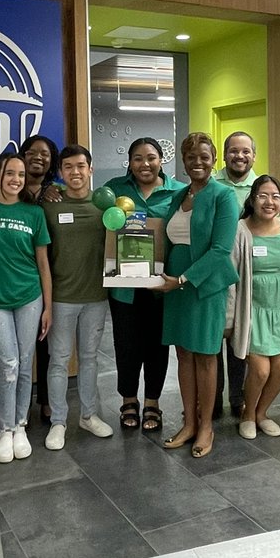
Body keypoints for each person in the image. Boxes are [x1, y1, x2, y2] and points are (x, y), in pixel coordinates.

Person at [159, 133, 239, 458]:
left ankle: (206, 426)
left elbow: (221, 250)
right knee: (184, 355)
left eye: (204, 156)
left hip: (203, 287)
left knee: (206, 356)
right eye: (191, 157)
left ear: (214, 158)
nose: (197, 162)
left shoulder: (224, 195)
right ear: (183, 160)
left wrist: (181, 279)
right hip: (173, 287)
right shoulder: (178, 195)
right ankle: (189, 423)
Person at [0, 153, 52, 462]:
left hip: (30, 297)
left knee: (25, 361)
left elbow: (43, 265)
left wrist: (48, 307)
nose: (16, 179)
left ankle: (20, 425)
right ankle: (5, 429)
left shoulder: (34, 214)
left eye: (20, 174)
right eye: (10, 174)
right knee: (9, 364)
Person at [104, 137, 181, 431]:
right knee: (126, 345)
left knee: (157, 347)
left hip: (160, 285)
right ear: (129, 162)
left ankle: (152, 402)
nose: (144, 164)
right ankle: (128, 400)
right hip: (123, 285)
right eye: (137, 158)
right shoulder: (115, 189)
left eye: (151, 157)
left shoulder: (177, 192)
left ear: (161, 160)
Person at [42, 145, 112, 450]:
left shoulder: (105, 207)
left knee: (89, 359)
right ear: (60, 172)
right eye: (68, 167)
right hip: (61, 298)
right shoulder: (49, 206)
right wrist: (46, 190)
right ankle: (58, 420)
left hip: (96, 297)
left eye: (81, 166)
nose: (75, 172)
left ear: (91, 169)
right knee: (58, 361)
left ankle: (88, 415)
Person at [226, 175, 280, 440]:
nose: (270, 202)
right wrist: (231, 318)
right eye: (263, 196)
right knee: (260, 370)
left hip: (279, 309)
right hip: (251, 311)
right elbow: (231, 278)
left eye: (276, 196)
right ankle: (247, 414)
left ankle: (261, 413)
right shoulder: (240, 230)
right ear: (252, 199)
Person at [213, 131, 259, 417]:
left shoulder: (260, 186)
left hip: (247, 270)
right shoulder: (211, 183)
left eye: (245, 151)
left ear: (254, 155)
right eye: (233, 150)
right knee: (212, 337)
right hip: (215, 268)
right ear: (225, 154)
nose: (239, 156)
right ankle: (212, 398)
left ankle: (237, 398)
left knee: (240, 335)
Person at [18, 134, 62, 424]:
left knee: (47, 345)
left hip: (51, 277)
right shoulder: (8, 188)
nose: (38, 157)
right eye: (32, 152)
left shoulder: (59, 191)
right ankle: (17, 408)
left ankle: (46, 402)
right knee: (19, 352)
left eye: (45, 153)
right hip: (17, 279)